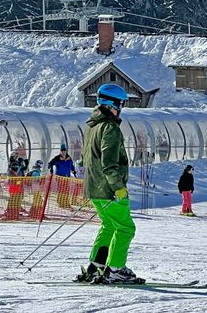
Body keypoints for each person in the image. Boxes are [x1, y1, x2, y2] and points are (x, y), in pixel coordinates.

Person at [77, 83, 142, 285]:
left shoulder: (92, 126)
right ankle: (115, 269)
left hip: (94, 188)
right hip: (110, 189)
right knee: (125, 228)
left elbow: (84, 158)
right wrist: (118, 187)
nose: (121, 108)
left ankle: (96, 266)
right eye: (121, 103)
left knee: (108, 226)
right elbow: (109, 163)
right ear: (113, 103)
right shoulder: (110, 127)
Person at [48, 144, 78, 209]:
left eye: (64, 151)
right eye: (62, 151)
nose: (63, 152)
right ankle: (60, 202)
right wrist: (51, 168)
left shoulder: (69, 158)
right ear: (60, 151)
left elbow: (71, 165)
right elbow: (50, 163)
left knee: (66, 190)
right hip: (60, 177)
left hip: (67, 176)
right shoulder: (57, 158)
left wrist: (73, 170)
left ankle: (65, 202)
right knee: (61, 189)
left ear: (66, 151)